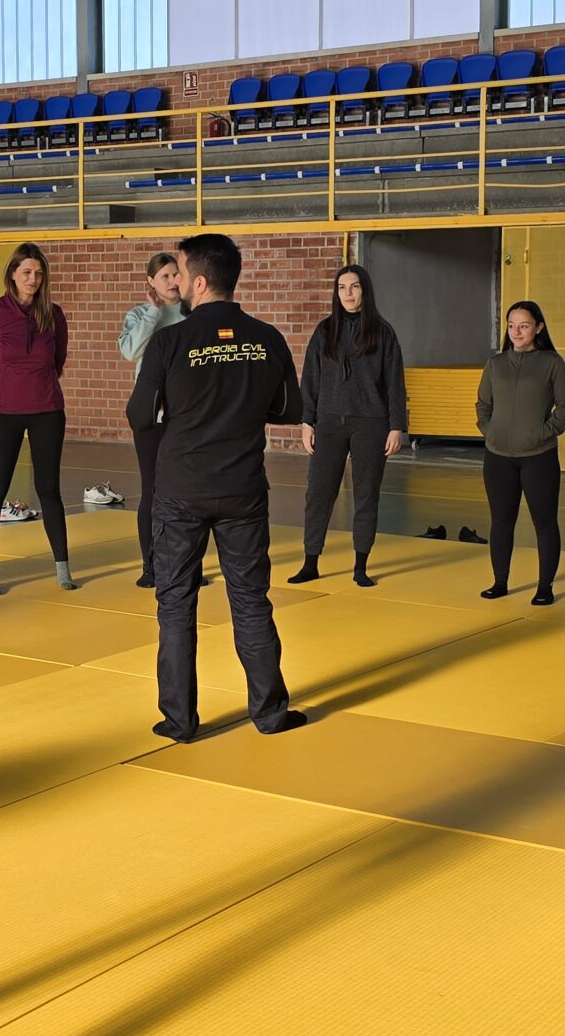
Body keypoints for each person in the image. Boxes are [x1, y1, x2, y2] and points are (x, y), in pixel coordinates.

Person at [128, 232, 304, 743]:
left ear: (200, 282)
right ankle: (269, 714)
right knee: (250, 601)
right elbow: (289, 409)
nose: (176, 282)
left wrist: (178, 409)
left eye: (181, 273)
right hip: (242, 488)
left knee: (175, 604)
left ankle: (180, 721)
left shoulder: (170, 341)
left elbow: (140, 416)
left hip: (180, 489)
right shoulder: (266, 337)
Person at [293, 263, 408, 588]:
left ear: (364, 290)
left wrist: (397, 426)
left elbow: (395, 382)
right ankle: (310, 562)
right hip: (329, 422)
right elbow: (310, 378)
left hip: (371, 424)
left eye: (354, 286)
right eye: (342, 287)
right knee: (318, 493)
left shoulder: (382, 333)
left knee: (366, 495)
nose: (347, 293)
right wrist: (307, 421)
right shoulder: (324, 331)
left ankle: (360, 566)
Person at [0, 242, 73, 596]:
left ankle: (63, 569)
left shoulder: (53, 314)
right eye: (27, 272)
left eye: (39, 273)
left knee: (49, 490)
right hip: (4, 414)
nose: (33, 279)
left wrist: (25, 373)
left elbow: (58, 360)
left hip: (47, 411)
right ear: (13, 274)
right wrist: (6, 371)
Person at [476, 301, 565, 605]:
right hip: (497, 457)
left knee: (544, 522)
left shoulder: (553, 363)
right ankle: (500, 582)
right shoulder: (496, 364)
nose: (516, 332)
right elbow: (483, 404)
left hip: (539, 457)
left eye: (524, 326)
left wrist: (543, 433)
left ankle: (545, 586)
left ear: (538, 328)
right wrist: (490, 431)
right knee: (501, 521)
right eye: (511, 326)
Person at [118, 251, 187, 589]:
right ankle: (150, 565)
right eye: (165, 276)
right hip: (151, 415)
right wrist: (154, 313)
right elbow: (130, 352)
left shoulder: (193, 313)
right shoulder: (138, 314)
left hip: (186, 416)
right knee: (153, 489)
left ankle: (186, 565)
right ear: (151, 282)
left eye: (176, 274)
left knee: (187, 493)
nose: (173, 281)